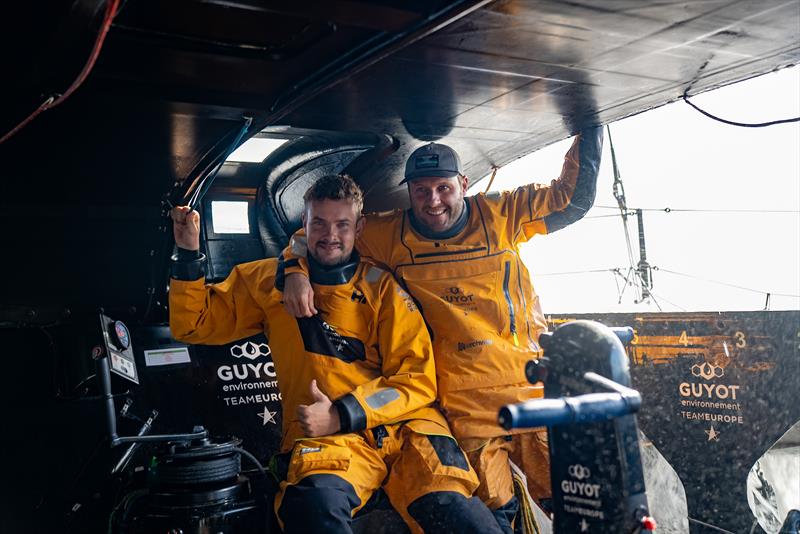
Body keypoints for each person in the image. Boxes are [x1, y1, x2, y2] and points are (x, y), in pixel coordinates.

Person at [279, 126, 604, 532]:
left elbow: (571, 199)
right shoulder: (386, 233)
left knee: (585, 508)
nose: (433, 201)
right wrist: (293, 271)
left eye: (443, 188)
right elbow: (317, 233)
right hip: (465, 411)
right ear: (410, 192)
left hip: (532, 394)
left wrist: (591, 122)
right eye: (421, 190)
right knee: (497, 519)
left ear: (463, 184)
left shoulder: (501, 214)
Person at [168, 175, 503, 534]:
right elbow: (194, 324)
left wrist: (344, 413)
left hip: (410, 431)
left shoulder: (383, 288)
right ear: (305, 225)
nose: (331, 235)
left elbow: (418, 379)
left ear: (358, 227)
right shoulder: (268, 283)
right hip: (331, 441)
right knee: (312, 509)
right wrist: (188, 254)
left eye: (342, 225)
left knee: (457, 515)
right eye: (320, 223)